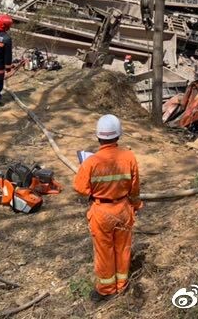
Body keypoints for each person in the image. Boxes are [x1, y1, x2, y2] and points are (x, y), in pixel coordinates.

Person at [73, 114, 142, 303]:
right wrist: (135, 205)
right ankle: (122, 285)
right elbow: (135, 188)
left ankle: (106, 289)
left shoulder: (91, 162)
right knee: (123, 248)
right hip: (123, 209)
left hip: (101, 212)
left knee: (104, 251)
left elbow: (80, 188)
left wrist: (93, 190)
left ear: (98, 137)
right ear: (118, 136)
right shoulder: (129, 156)